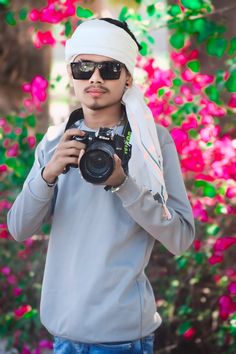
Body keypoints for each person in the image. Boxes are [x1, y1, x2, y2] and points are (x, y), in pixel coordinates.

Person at [7, 18, 195, 354]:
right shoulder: (54, 142)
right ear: (72, 76)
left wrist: (125, 185)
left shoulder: (151, 142)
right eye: (84, 67)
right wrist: (48, 174)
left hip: (123, 338)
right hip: (64, 334)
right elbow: (19, 228)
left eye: (109, 68)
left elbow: (180, 237)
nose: (95, 78)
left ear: (128, 78)